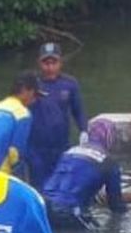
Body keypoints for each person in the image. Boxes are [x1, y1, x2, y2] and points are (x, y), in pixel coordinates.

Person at [41, 117, 127, 229]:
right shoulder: (109, 162)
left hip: (43, 206)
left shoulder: (69, 152)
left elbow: (67, 182)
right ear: (110, 138)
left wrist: (92, 195)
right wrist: (124, 220)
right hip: (70, 211)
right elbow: (116, 204)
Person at [30, 42, 88, 188]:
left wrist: (84, 130)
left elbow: (78, 110)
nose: (50, 67)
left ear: (60, 62)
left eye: (53, 62)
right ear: (39, 63)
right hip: (37, 148)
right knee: (40, 186)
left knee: (62, 185)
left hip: (61, 145)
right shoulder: (31, 84)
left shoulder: (69, 83)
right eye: (46, 63)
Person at [0, 71, 39, 178]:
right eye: (35, 94)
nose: (34, 100)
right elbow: (15, 153)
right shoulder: (22, 113)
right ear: (28, 91)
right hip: (3, 175)